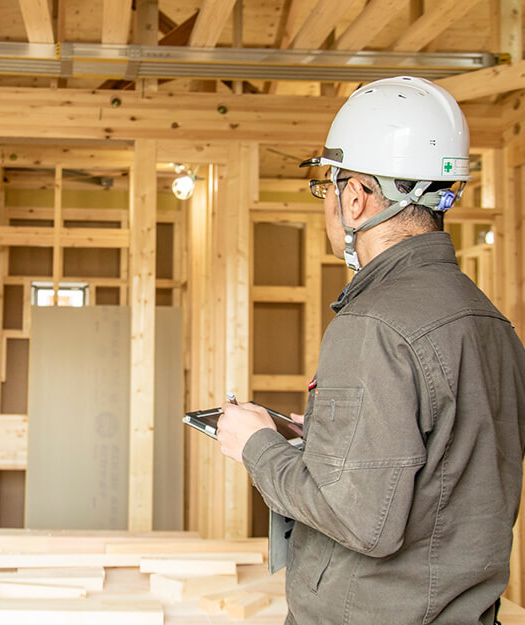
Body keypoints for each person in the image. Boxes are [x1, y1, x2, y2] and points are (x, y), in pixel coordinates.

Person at [216, 76, 525, 624]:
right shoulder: (490, 321)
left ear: (355, 195)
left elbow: (361, 521)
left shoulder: (372, 324)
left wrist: (257, 446)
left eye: (328, 188)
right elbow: (447, 469)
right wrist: (331, 447)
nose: (329, 205)